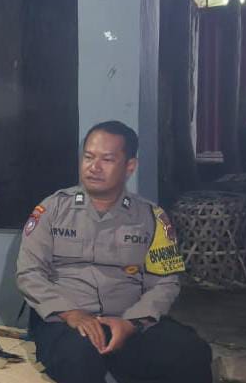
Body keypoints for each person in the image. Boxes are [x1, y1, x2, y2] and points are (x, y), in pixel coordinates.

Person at [17, 121, 213, 383]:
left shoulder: (153, 217)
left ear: (130, 166)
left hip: (130, 321)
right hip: (67, 322)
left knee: (191, 352)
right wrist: (71, 313)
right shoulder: (52, 210)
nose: (94, 167)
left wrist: (131, 323)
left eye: (107, 159)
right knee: (79, 359)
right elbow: (29, 273)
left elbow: (166, 281)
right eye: (88, 157)